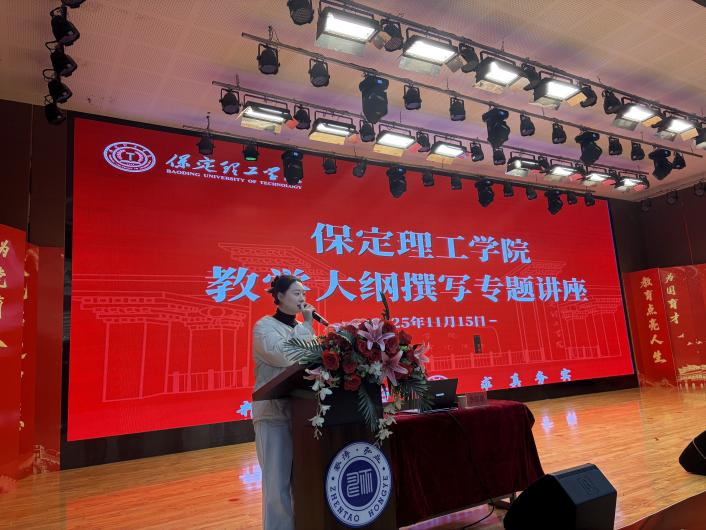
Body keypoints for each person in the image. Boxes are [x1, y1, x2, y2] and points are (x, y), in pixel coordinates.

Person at [252, 274, 316, 530]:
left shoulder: (301, 328)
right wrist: (307, 326)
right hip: (273, 415)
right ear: (279, 296)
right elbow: (282, 355)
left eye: (304, 294)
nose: (302, 298)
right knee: (276, 485)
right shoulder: (264, 327)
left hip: (301, 416)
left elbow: (311, 361)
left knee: (301, 483)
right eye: (296, 293)